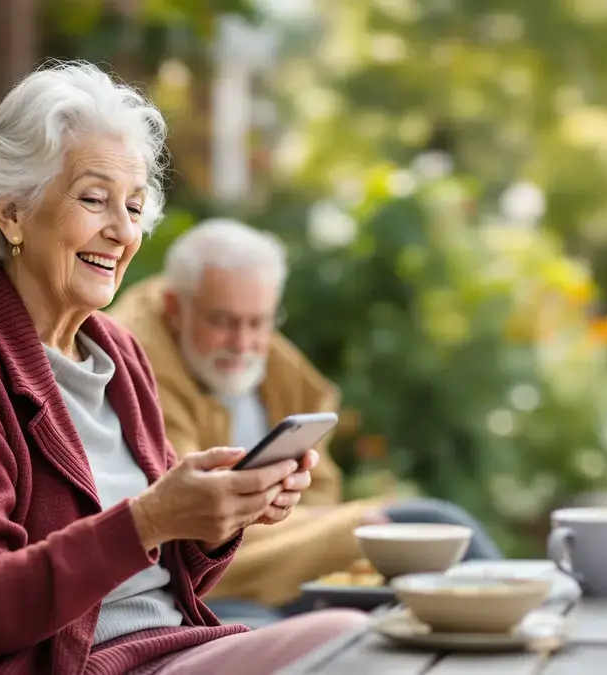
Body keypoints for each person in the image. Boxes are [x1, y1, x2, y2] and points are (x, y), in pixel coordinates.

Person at [0, 62, 369, 675]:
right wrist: (150, 518)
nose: (122, 231)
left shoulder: (119, 356)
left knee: (363, 641)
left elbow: (163, 585)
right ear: (12, 213)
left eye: (133, 207)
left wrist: (215, 519)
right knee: (352, 643)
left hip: (164, 652)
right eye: (94, 199)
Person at [110, 218, 505, 625]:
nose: (244, 343)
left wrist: (325, 525)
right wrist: (340, 531)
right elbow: (195, 514)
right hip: (202, 579)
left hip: (275, 563)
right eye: (223, 322)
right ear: (176, 308)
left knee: (434, 540)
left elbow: (321, 490)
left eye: (258, 322)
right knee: (425, 529)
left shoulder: (274, 366)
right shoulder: (134, 361)